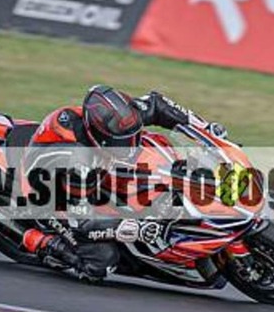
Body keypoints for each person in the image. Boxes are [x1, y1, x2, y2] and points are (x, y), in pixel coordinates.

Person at [19, 85, 226, 282]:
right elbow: (82, 223)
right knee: (101, 261)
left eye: (132, 136)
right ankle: (43, 243)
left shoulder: (123, 118)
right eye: (122, 142)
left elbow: (158, 105)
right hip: (52, 195)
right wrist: (133, 228)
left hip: (83, 169)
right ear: (100, 138)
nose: (130, 145)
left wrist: (205, 129)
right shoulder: (81, 165)